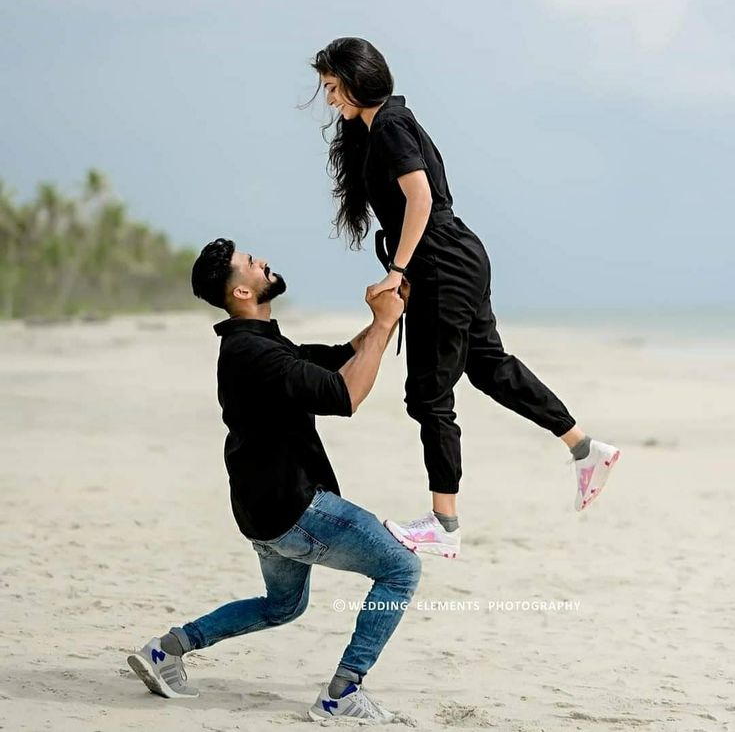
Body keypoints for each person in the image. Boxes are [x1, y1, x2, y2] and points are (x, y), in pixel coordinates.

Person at [308, 37, 621, 559]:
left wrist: (398, 270)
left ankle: (444, 523)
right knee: (488, 366)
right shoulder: (378, 125)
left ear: (358, 81)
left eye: (333, 87)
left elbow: (420, 196)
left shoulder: (387, 124)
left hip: (441, 264)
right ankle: (586, 449)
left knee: (429, 395)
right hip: (457, 257)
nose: (329, 99)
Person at [127, 238, 420, 723]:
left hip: (261, 513)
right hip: (296, 509)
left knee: (283, 606)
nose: (261, 260)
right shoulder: (251, 353)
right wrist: (387, 322)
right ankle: (342, 694)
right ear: (242, 291)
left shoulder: (256, 342)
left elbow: (334, 359)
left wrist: (382, 317)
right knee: (401, 569)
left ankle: (166, 650)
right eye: (250, 262)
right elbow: (345, 394)